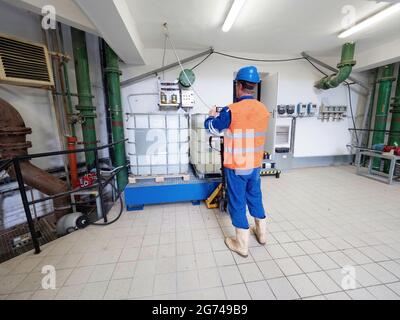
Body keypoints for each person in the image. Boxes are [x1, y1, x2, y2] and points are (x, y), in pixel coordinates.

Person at [204, 66, 270, 257]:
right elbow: (247, 122)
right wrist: (223, 113)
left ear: (238, 86)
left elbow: (212, 129)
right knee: (255, 197)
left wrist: (211, 115)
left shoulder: (231, 110)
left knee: (237, 202)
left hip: (237, 166)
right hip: (255, 165)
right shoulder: (263, 109)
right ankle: (262, 234)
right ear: (254, 86)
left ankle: (241, 245)